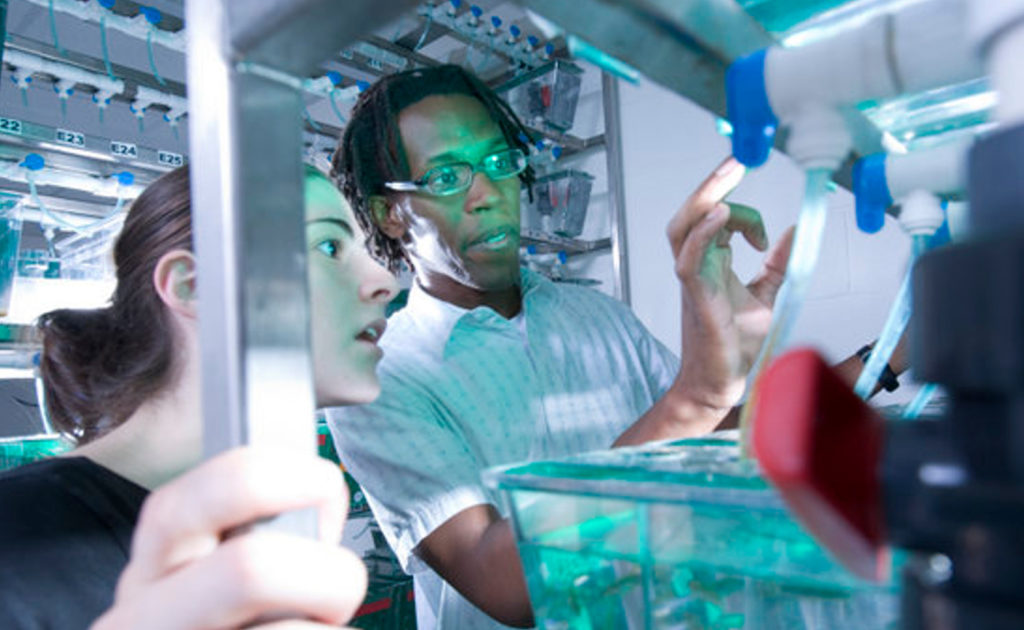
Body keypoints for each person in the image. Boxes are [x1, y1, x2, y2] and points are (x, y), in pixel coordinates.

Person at [326, 64, 907, 629]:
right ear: (390, 214)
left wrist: (891, 354)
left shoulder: (592, 314)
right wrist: (695, 395)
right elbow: (507, 582)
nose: (488, 194)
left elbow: (724, 438)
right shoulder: (380, 378)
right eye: (448, 177)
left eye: (499, 163)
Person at [0, 163, 399, 629]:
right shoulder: (18, 534)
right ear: (194, 286)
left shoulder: (264, 529)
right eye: (329, 246)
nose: (384, 282)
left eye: (368, 250)